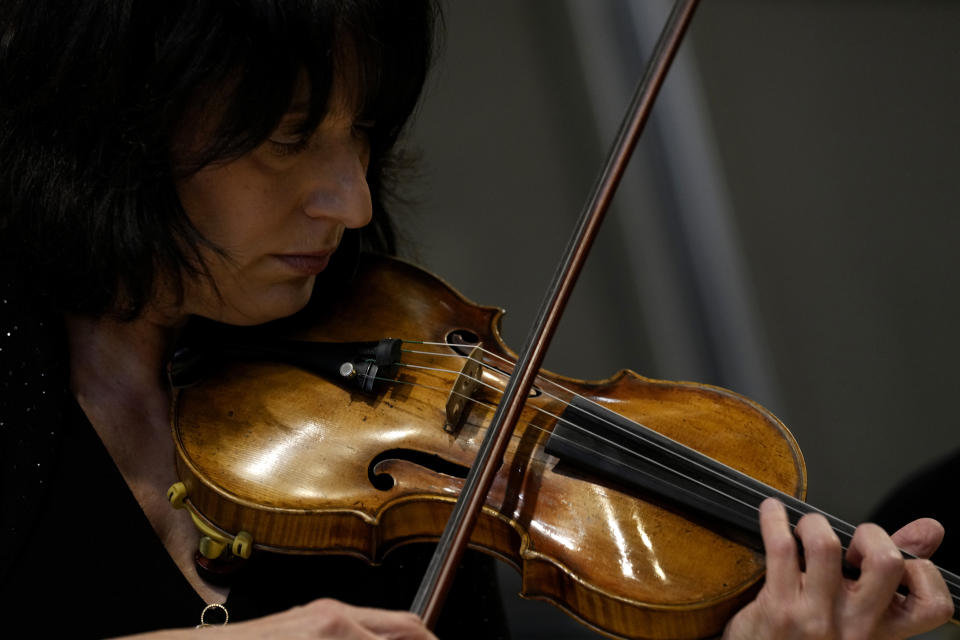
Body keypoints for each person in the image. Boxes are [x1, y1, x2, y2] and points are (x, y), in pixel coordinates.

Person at [0, 1, 952, 639]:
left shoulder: (395, 442)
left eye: (363, 134)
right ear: (114, 133)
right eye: (290, 141)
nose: (355, 203)